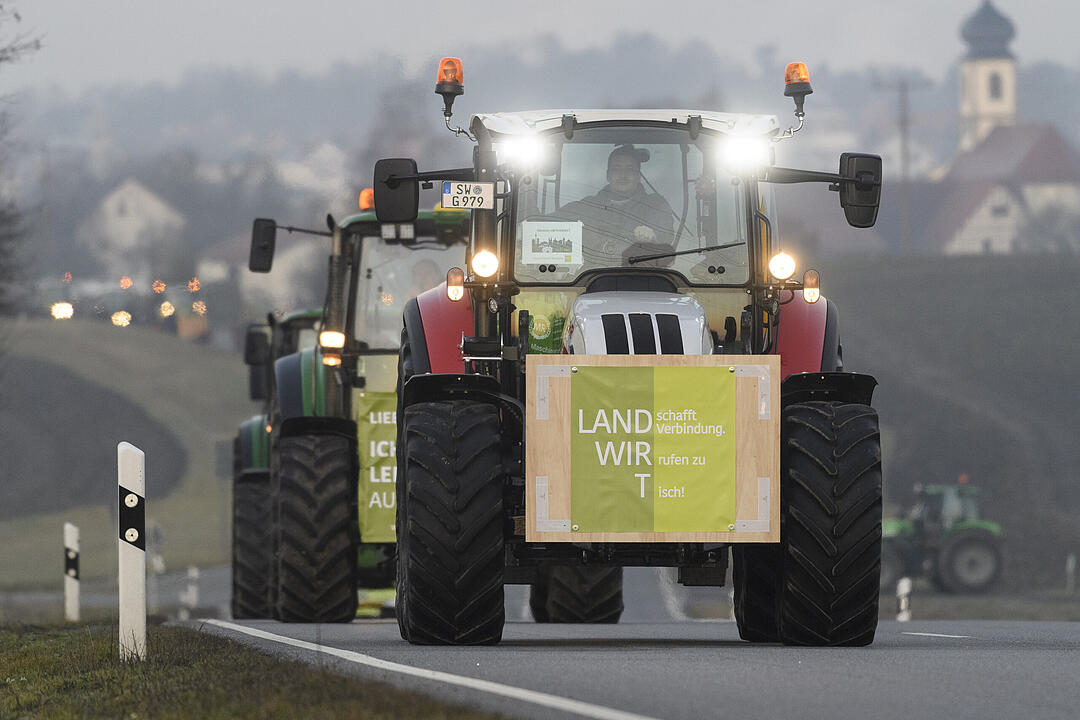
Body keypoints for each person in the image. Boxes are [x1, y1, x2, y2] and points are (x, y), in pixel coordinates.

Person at [558, 145, 675, 255]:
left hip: (644, 273)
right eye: (616, 169)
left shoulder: (656, 205)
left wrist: (653, 236)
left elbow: (665, 234)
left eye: (629, 169)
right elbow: (546, 221)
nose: (622, 175)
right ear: (608, 175)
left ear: (638, 176)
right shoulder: (588, 206)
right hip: (591, 274)